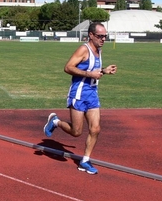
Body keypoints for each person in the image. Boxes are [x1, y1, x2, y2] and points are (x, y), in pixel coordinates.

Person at [43, 22, 117, 175]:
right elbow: (68, 67)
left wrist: (104, 71)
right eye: (100, 36)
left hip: (92, 93)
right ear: (91, 35)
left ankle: (85, 160)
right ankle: (55, 121)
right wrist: (91, 74)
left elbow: (92, 70)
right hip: (78, 94)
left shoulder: (99, 50)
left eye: (105, 36)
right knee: (76, 131)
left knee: (95, 129)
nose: (103, 39)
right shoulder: (84, 49)